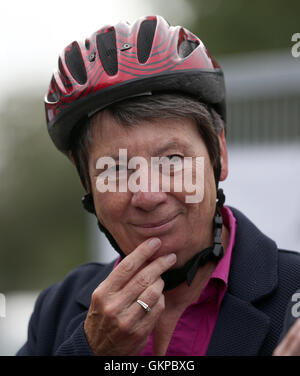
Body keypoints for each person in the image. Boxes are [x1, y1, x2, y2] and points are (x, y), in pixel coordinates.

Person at [17, 15, 300, 356]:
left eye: (172, 160)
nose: (148, 195)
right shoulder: (57, 311)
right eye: (117, 169)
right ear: (86, 181)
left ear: (219, 154)